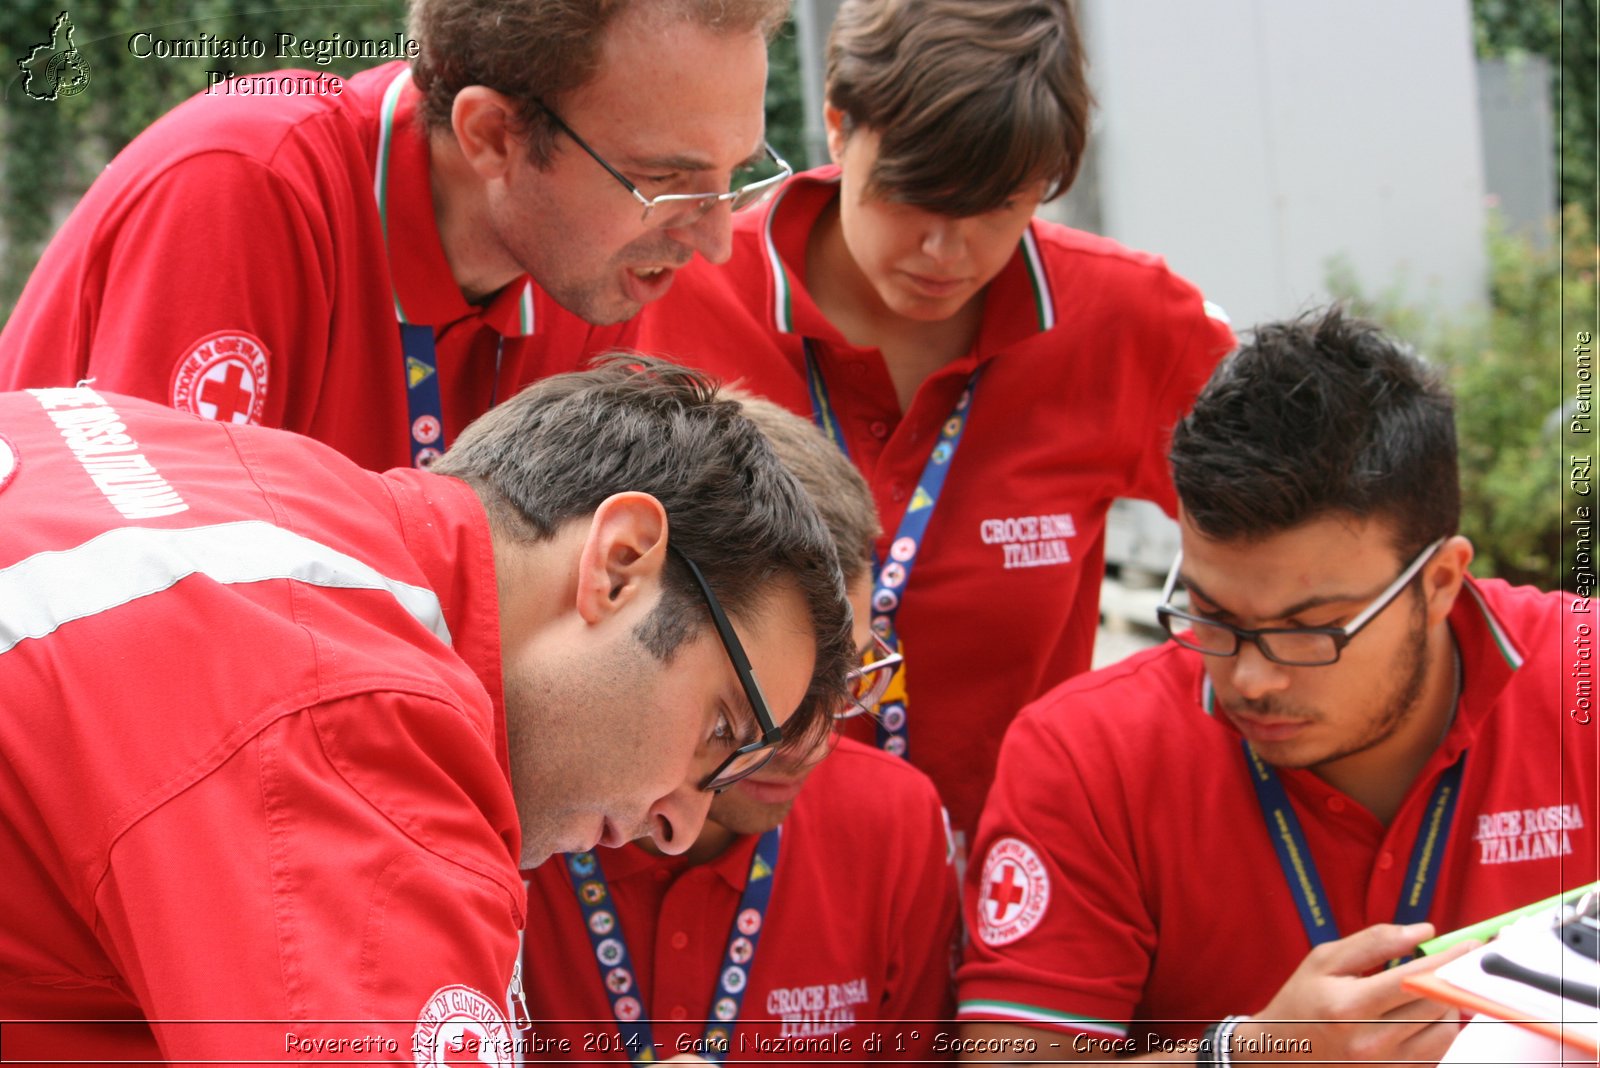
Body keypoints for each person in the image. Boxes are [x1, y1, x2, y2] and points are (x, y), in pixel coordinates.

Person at [0, 358, 853, 1063]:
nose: (682, 820)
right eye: (721, 730)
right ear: (621, 564)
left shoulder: (252, 481)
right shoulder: (349, 721)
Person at [624, 0, 1236, 848]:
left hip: (1014, 876)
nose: (945, 254)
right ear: (839, 128)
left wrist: (1154, 746)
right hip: (734, 894)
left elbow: (1291, 549)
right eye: (912, 198)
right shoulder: (670, 300)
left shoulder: (1127, 323)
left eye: (997, 208)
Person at [955, 307, 1597, 1064]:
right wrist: (1248, 1055)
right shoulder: (1087, 754)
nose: (1251, 679)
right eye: (1212, 616)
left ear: (1441, 583)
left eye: (1310, 631)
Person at [0, 0, 791, 472]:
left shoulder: (598, 261)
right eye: (665, 180)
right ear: (491, 136)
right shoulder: (245, 183)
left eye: (736, 174)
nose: (717, 240)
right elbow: (164, 609)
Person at [520, 396, 959, 1061]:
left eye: (850, 676)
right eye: (767, 697)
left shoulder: (896, 823)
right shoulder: (509, 810)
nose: (811, 742)